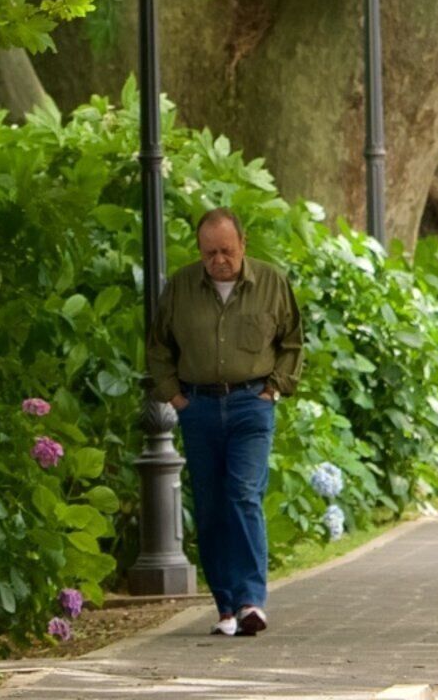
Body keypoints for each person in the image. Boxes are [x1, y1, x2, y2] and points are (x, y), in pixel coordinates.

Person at [151, 209, 301, 638]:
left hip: (251, 404)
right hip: (197, 406)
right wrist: (175, 397)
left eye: (227, 251)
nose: (219, 260)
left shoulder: (271, 283)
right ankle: (226, 606)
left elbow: (292, 342)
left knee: (243, 494)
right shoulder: (181, 287)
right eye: (209, 252)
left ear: (243, 244)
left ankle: (252, 599)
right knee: (212, 506)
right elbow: (159, 346)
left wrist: (274, 389)